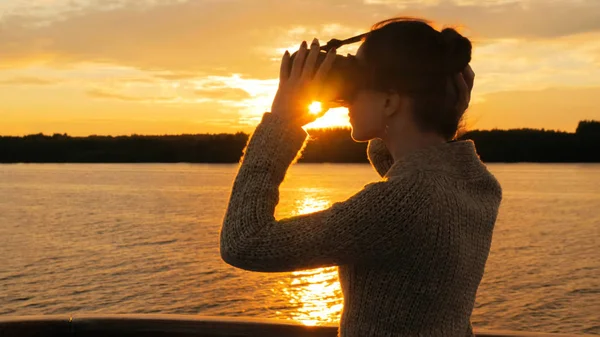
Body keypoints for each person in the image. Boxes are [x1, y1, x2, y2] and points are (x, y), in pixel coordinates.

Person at [219, 17, 502, 337]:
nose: (348, 98)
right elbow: (405, 165)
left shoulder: (400, 205)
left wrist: (282, 121)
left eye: (357, 78)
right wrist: (439, 112)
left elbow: (245, 242)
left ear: (390, 100)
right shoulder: (475, 185)